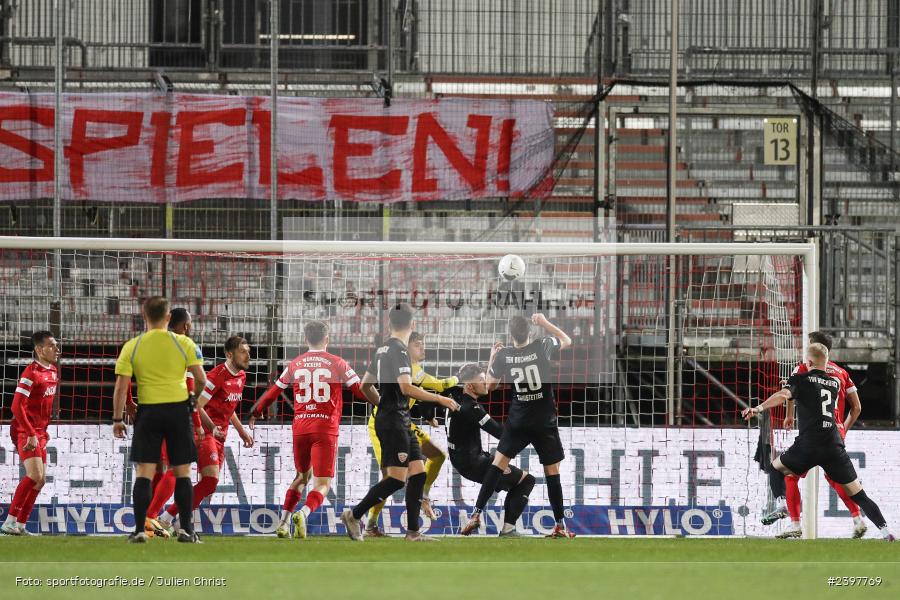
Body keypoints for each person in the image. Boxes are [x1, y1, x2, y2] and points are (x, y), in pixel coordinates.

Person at [742, 343, 894, 542]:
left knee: (775, 468)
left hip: (808, 444)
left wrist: (759, 408)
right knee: (859, 494)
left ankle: (782, 505)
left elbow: (783, 395)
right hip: (833, 445)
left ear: (809, 361)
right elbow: (850, 405)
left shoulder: (800, 378)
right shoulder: (834, 383)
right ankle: (886, 532)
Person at [340, 303, 459, 542]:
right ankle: (354, 515)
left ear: (389, 324)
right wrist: (440, 399)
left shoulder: (382, 349)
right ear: (412, 324)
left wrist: (381, 404)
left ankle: (413, 533)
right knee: (396, 478)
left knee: (417, 474)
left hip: (399, 419)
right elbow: (406, 387)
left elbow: (365, 386)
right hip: (394, 421)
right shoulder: (399, 350)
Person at [250, 321, 378, 539]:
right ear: (327, 339)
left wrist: (255, 411)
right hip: (324, 427)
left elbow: (274, 390)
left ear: (305, 340)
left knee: (301, 476)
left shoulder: (295, 363)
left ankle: (282, 524)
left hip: (300, 427)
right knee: (322, 483)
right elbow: (358, 389)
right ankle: (303, 513)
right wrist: (380, 404)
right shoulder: (337, 362)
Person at [461, 313, 574, 538]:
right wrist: (544, 323)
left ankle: (475, 514)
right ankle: (560, 525)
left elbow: (490, 386)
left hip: (518, 421)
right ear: (530, 332)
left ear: (510, 334)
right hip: (544, 422)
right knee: (552, 472)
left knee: (497, 465)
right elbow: (567, 340)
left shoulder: (504, 355)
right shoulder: (542, 346)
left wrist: (493, 357)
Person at [112, 297, 206, 543]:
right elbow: (202, 379)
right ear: (167, 318)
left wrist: (117, 419)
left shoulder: (132, 345)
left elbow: (121, 388)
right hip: (177, 411)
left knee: (144, 472)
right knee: (182, 472)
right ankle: (186, 530)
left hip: (148, 412)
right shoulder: (184, 343)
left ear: (144, 317)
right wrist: (192, 399)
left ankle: (140, 530)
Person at [764, 331, 866, 539]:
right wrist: (843, 428)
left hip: (812, 434)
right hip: (835, 433)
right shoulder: (841, 373)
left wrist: (789, 416)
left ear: (814, 348)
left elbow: (790, 394)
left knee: (789, 474)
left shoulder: (804, 367)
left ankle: (793, 522)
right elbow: (856, 408)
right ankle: (857, 518)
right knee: (837, 479)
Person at [157, 336, 254, 535]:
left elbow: (229, 407)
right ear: (229, 354)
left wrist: (241, 430)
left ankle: (177, 522)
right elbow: (196, 404)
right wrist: (210, 427)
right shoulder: (217, 376)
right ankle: (167, 518)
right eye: (243, 351)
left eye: (248, 352)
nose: (248, 355)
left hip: (220, 435)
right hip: (203, 432)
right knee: (209, 481)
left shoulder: (241, 376)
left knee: (209, 485)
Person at [365, 331, 456, 537]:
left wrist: (427, 416)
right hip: (383, 423)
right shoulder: (412, 370)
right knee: (390, 476)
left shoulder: (412, 370)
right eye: (417, 344)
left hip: (404, 422)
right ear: (407, 348)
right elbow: (439, 386)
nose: (422, 347)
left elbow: (416, 395)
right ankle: (370, 524)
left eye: (423, 343)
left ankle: (423, 495)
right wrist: (462, 376)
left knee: (437, 455)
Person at [449, 363, 535, 537]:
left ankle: (478, 514)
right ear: (470, 386)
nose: (485, 383)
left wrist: (493, 360)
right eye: (481, 380)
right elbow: (499, 433)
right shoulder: (472, 408)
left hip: (462, 459)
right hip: (473, 462)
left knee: (500, 468)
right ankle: (506, 528)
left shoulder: (455, 398)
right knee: (526, 480)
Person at [143, 307, 199, 537]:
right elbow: (190, 386)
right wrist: (195, 419)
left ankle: (147, 523)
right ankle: (151, 516)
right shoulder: (186, 346)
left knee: (160, 467)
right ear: (185, 326)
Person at [1, 332, 60, 536]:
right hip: (25, 430)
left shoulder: (53, 371)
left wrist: (41, 431)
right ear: (39, 349)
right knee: (34, 475)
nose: (57, 349)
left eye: (56, 345)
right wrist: (30, 433)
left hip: (40, 432)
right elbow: (16, 406)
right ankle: (9, 521)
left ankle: (20, 525)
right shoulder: (30, 373)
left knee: (40, 480)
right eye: (52, 346)